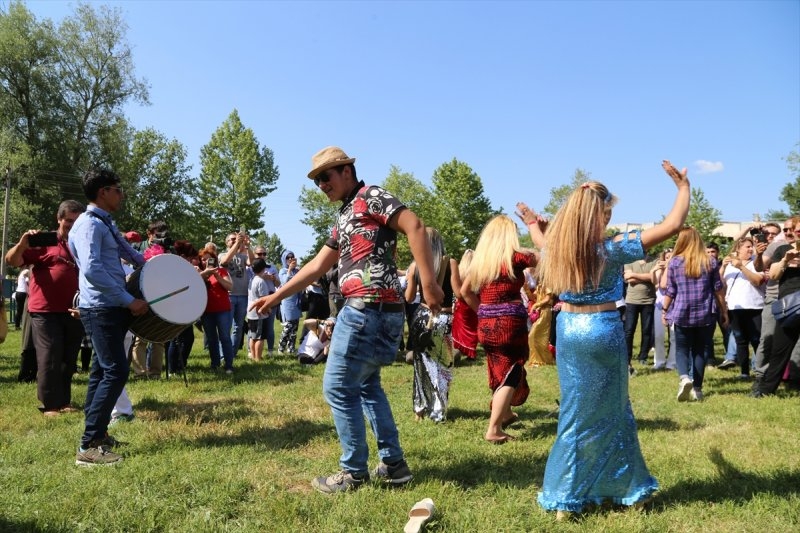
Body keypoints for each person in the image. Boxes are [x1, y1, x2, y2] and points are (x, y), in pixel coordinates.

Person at [250, 146, 443, 494]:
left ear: (347, 171)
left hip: (367, 308)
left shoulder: (370, 196)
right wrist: (277, 296)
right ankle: (394, 465)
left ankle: (353, 471)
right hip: (378, 312)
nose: (321, 184)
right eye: (316, 181)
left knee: (337, 387)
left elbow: (414, 224)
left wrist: (428, 283)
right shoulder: (345, 216)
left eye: (326, 176)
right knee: (367, 387)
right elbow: (316, 266)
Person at [536, 160, 689, 520]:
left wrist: (533, 224)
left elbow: (542, 241)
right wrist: (683, 188)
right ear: (603, 213)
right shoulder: (613, 249)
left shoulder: (559, 250)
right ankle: (628, 489)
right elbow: (672, 226)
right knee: (615, 412)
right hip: (603, 329)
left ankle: (565, 496)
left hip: (570, 331)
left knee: (574, 415)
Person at [68, 168, 148, 466]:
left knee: (102, 371)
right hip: (102, 307)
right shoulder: (89, 225)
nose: (121, 194)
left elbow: (129, 254)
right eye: (117, 188)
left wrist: (156, 269)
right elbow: (92, 270)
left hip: (108, 306)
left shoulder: (103, 223)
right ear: (103, 191)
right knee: (116, 371)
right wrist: (128, 300)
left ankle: (98, 434)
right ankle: (88, 445)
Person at [460, 209, 545, 444]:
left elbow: (465, 291)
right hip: (510, 325)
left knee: (498, 368)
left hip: (485, 324)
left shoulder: (481, 261)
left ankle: (505, 413)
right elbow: (546, 255)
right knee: (513, 371)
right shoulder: (516, 258)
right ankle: (494, 429)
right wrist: (539, 230)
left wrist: (484, 311)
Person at [5, 200, 86, 416]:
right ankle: (50, 404)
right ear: (59, 219)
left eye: (77, 221)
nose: (72, 225)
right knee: (50, 356)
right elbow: (12, 261)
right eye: (68, 220)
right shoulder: (43, 242)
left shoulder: (83, 243)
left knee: (68, 357)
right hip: (45, 310)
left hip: (74, 310)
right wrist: (23, 243)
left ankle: (64, 401)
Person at [661, 227, 727, 401]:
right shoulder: (711, 262)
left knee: (682, 349)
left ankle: (684, 378)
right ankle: (697, 389)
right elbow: (718, 290)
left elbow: (670, 290)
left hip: (682, 312)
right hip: (705, 313)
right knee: (700, 351)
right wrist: (724, 310)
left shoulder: (675, 262)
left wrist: (664, 309)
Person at [405, 227, 460, 422]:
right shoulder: (450, 262)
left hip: (420, 316)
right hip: (443, 318)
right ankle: (438, 411)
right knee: (442, 365)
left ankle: (419, 410)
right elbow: (459, 293)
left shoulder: (415, 266)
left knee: (420, 363)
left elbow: (409, 297)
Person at [753, 217, 800, 397]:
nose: (796, 234)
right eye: (796, 231)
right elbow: (772, 274)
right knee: (779, 350)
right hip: (790, 307)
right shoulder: (783, 249)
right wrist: (786, 260)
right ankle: (765, 389)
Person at [197, 245, 235, 373]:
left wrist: (217, 276)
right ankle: (215, 364)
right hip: (207, 311)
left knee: (224, 337)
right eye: (203, 259)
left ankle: (229, 365)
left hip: (223, 310)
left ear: (214, 259)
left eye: (208, 259)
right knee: (211, 339)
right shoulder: (199, 274)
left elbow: (230, 287)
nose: (205, 262)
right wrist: (204, 275)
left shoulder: (222, 271)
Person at [219, 230, 254, 356]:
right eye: (232, 239)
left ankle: (232, 354)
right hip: (229, 295)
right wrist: (237, 243)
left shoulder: (243, 256)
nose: (235, 241)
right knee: (226, 327)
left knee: (238, 328)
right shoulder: (222, 254)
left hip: (243, 296)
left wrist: (248, 246)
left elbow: (252, 262)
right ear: (226, 242)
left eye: (236, 239)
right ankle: (223, 355)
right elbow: (224, 262)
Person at [451, 250, 478, 361]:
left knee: (460, 329)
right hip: (473, 302)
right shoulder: (476, 272)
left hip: (461, 304)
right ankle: (471, 351)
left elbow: (457, 291)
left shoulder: (459, 272)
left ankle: (461, 348)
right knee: (472, 329)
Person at [278, 250, 303, 353]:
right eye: (288, 257)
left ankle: (291, 348)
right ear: (284, 259)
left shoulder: (296, 271)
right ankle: (281, 348)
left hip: (296, 301)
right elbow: (284, 282)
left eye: (292, 257)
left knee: (295, 328)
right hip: (287, 302)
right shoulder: (282, 271)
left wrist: (299, 270)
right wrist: (289, 270)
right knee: (288, 327)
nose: (290, 259)